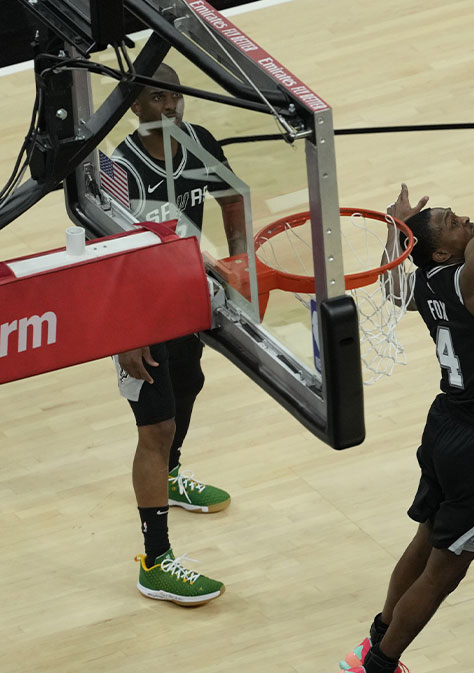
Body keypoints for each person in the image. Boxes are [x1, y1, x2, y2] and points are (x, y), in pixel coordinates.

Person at [338, 39, 474, 673]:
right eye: (458, 224)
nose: (469, 225)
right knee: (449, 565)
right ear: (441, 251)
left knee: (426, 536)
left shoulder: (421, 282)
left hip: (444, 428)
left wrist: (394, 230)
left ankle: (376, 640)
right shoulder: (472, 275)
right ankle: (379, 664)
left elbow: (389, 280)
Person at [111, 63, 247, 606]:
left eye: (175, 97)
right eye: (157, 98)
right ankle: (155, 561)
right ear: (134, 106)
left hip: (188, 298)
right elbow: (110, 261)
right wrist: (125, 335)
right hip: (138, 314)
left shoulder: (200, 141)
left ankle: (170, 477)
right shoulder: (118, 169)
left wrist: (239, 264)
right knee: (155, 426)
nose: (170, 107)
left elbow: (232, 198)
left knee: (189, 386)